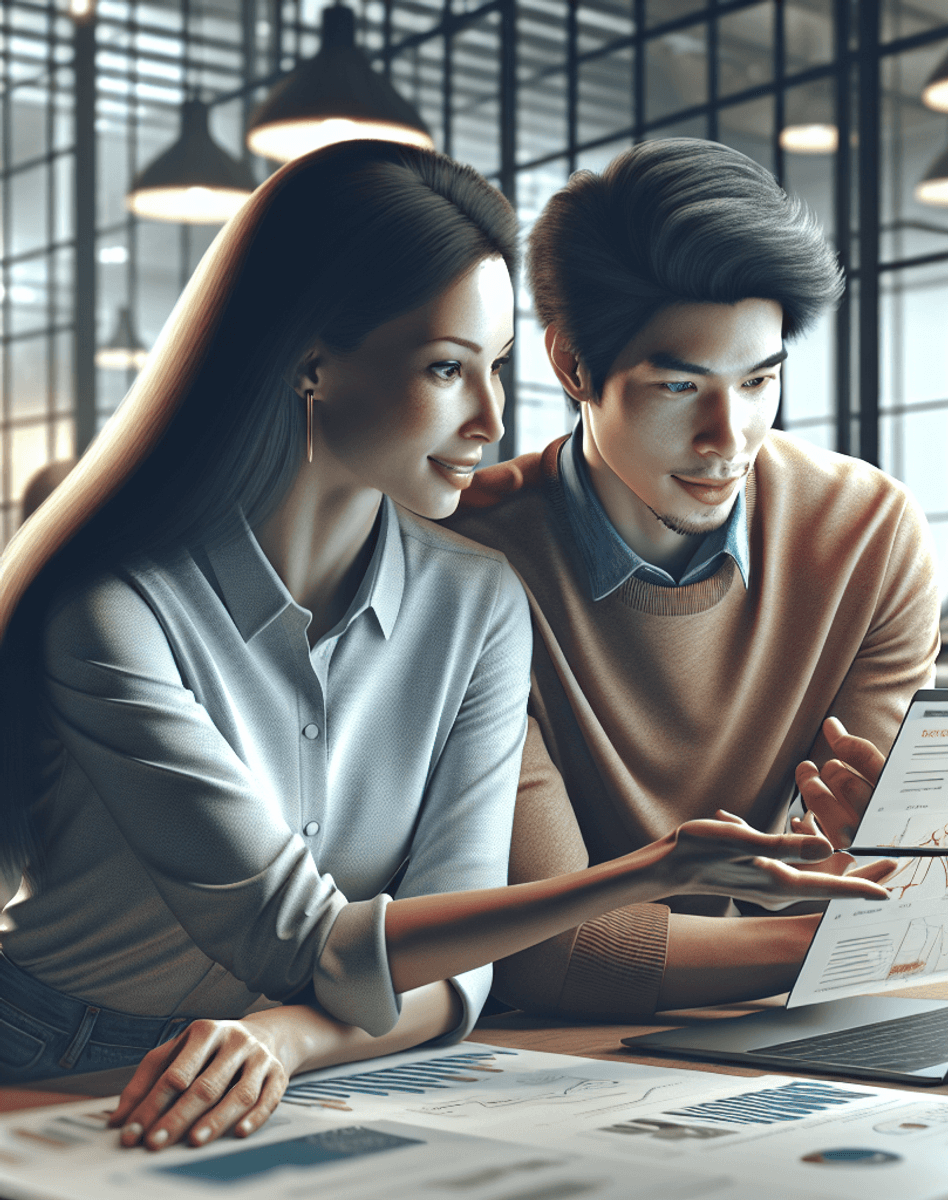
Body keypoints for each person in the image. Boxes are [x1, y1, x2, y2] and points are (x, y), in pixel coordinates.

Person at [0, 140, 887, 1152]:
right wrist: (657, 871)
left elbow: (457, 968)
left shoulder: (477, 602)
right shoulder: (115, 611)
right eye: (445, 368)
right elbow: (310, 941)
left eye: (497, 367)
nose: (490, 419)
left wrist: (285, 1041)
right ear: (311, 361)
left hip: (296, 1068)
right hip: (49, 1059)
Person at [445, 138, 940, 1019]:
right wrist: (840, 936)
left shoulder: (866, 531)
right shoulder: (462, 553)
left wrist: (886, 882)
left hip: (798, 1026)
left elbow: (881, 858)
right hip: (549, 1064)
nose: (729, 436)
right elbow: (543, 953)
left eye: (759, 381)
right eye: (681, 388)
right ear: (571, 366)